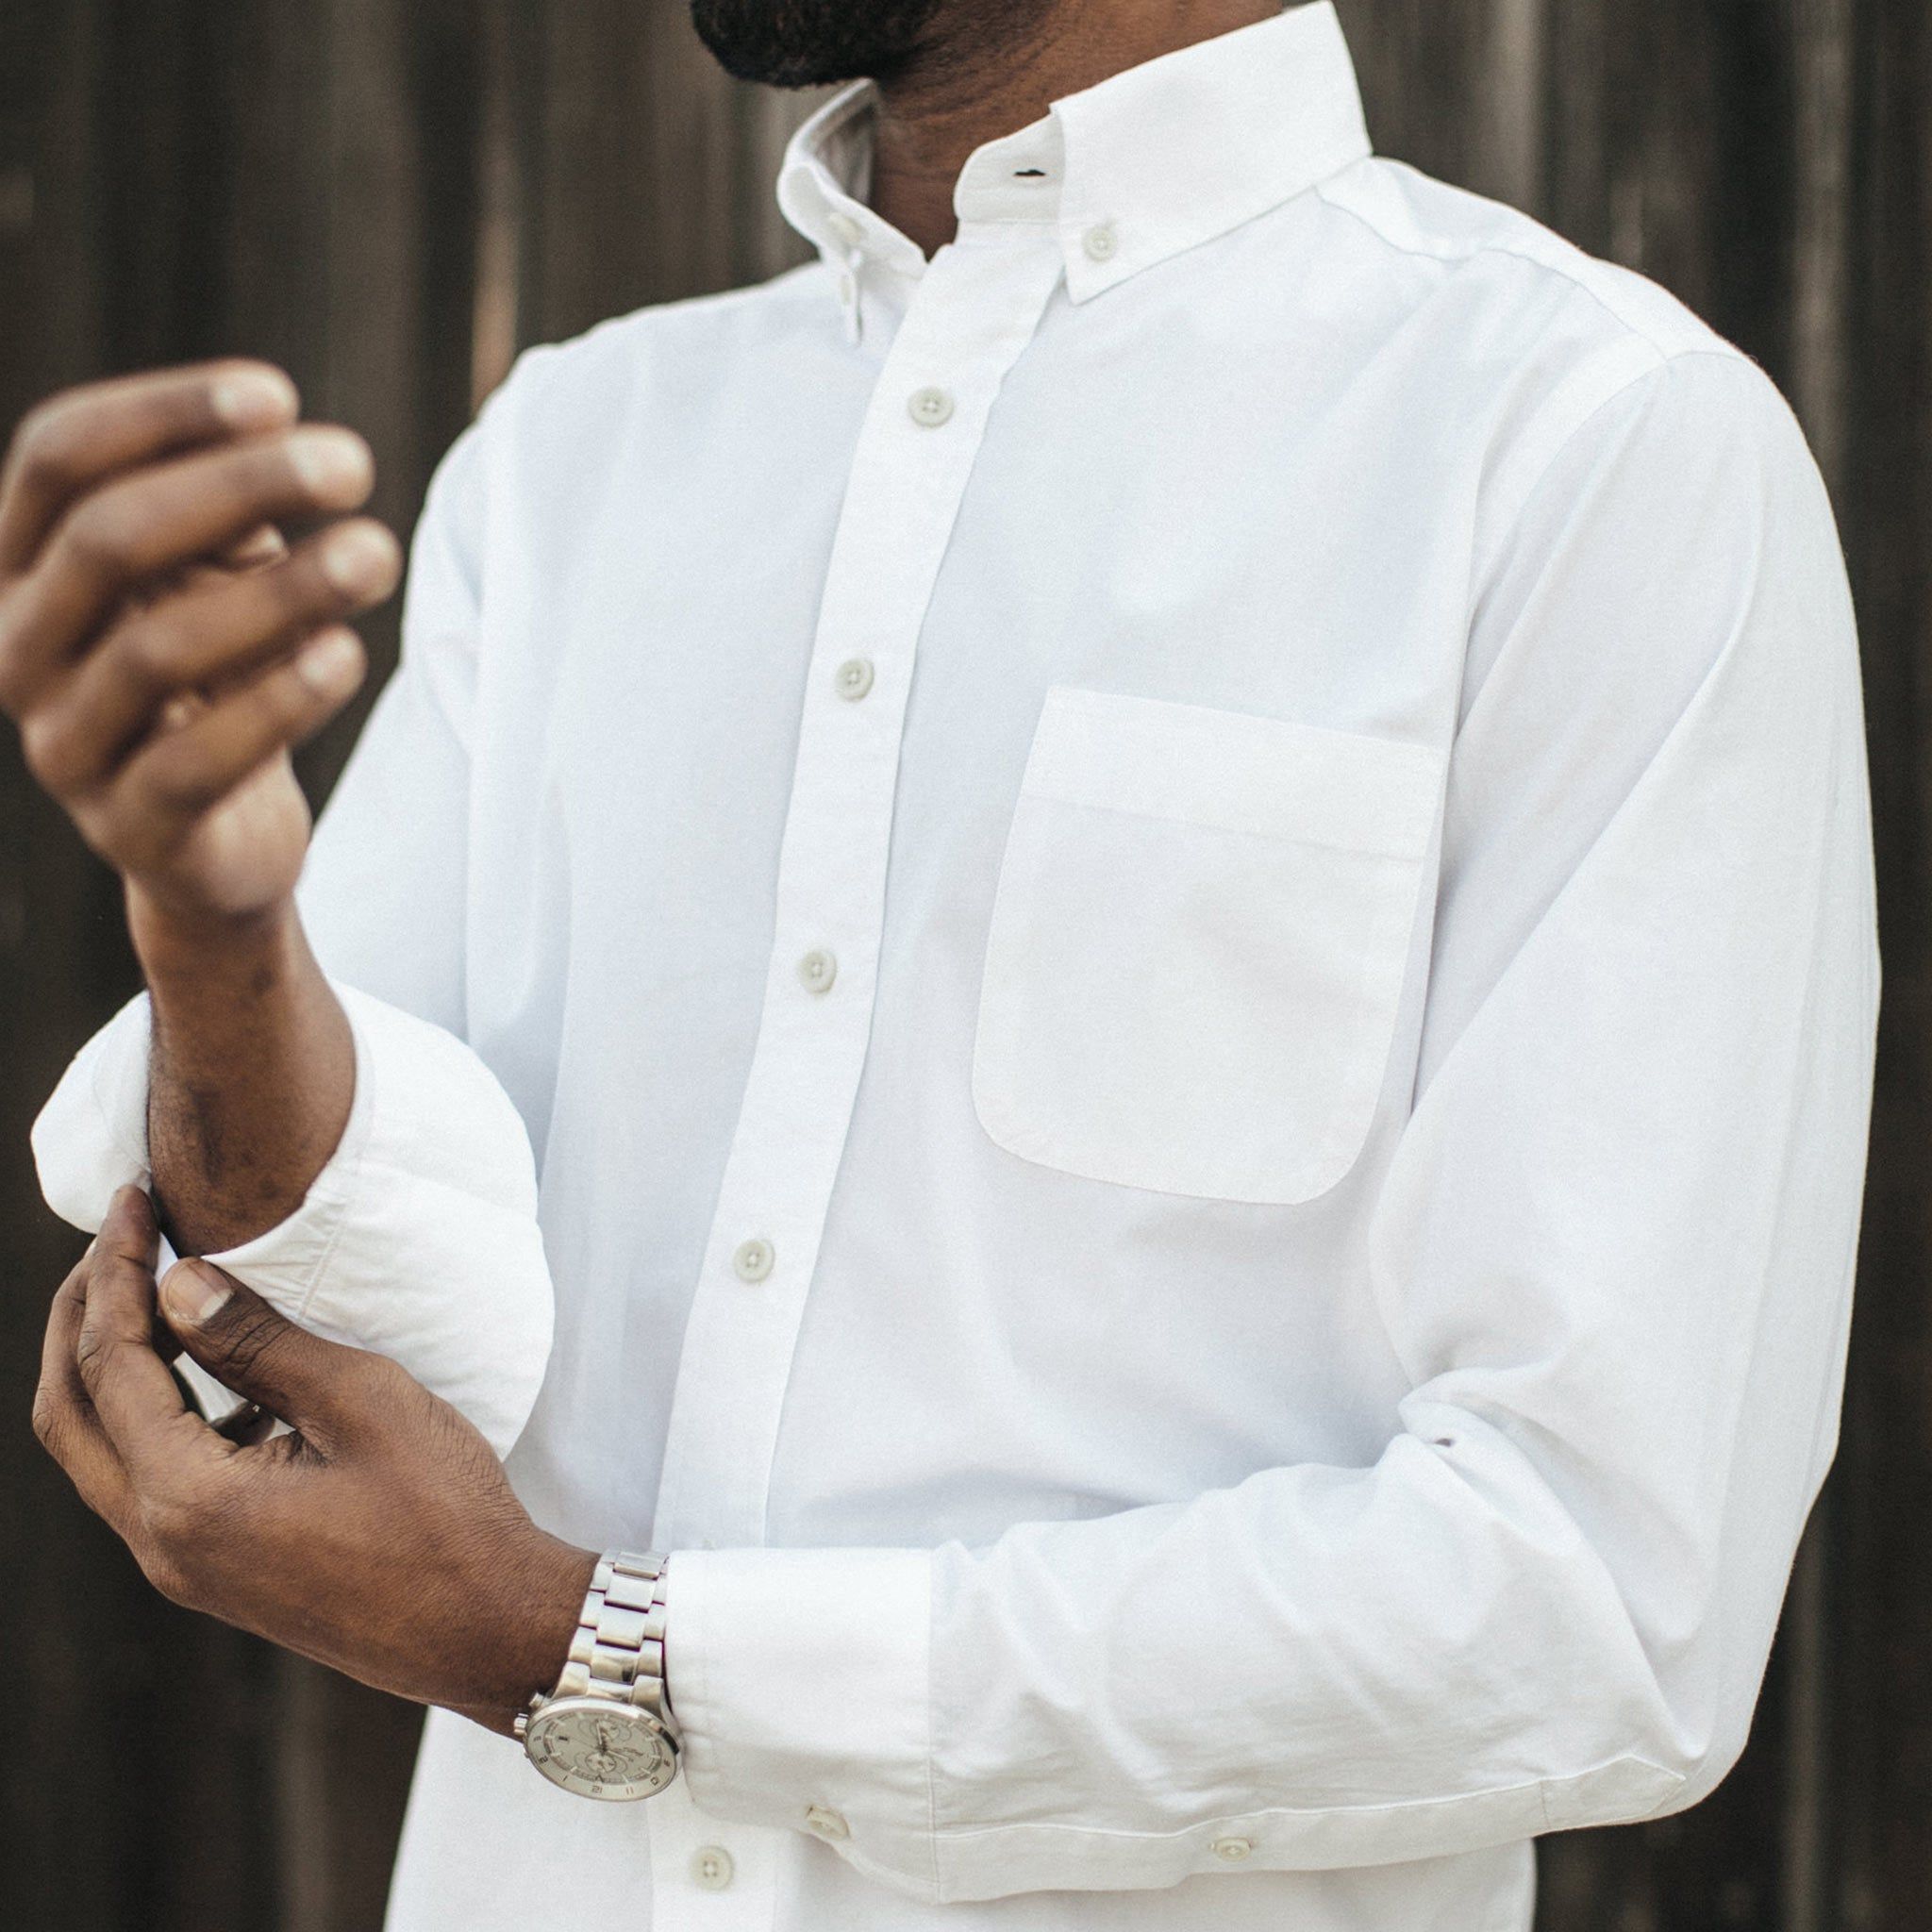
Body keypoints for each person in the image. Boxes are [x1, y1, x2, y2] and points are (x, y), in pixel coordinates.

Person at [3, 1, 1879, 1927]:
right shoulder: (574, 456)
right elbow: (339, 1327)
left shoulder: (1588, 448)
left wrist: (602, 1652)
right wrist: (211, 925)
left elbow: (1592, 1591)